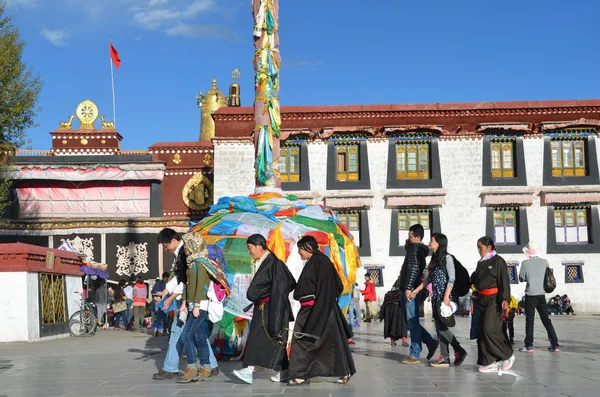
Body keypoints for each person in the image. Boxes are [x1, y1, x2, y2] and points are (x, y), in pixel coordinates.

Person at [287, 235, 356, 385]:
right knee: (301, 340)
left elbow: (331, 287)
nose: (299, 253)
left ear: (308, 248)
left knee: (332, 342)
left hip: (320, 309)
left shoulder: (322, 262)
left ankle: (344, 371)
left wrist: (319, 311)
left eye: (300, 249)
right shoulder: (311, 262)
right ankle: (301, 374)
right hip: (308, 309)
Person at [152, 228, 220, 381]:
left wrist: (178, 300)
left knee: (182, 333)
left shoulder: (189, 257)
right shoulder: (184, 256)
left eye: (165, 245)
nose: (165, 249)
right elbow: (180, 277)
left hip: (193, 303)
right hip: (188, 302)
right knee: (197, 333)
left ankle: (180, 368)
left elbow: (190, 283)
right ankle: (210, 365)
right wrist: (167, 291)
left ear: (174, 242)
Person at [232, 234, 296, 385]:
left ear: (259, 246)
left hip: (271, 308)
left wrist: (277, 312)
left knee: (259, 337)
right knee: (272, 340)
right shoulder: (263, 262)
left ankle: (249, 370)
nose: (249, 251)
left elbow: (283, 288)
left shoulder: (274, 264)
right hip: (263, 307)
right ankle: (285, 371)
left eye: (250, 248)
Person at [412, 233, 467, 367]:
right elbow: (428, 279)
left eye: (432, 241)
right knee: (438, 327)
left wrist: (447, 296)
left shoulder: (447, 258)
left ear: (439, 243)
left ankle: (458, 349)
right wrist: (416, 290)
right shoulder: (434, 260)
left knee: (441, 327)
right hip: (436, 297)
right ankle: (446, 357)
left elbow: (452, 278)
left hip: (445, 298)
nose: (430, 243)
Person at [394, 224, 438, 365]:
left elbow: (413, 269)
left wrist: (407, 287)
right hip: (412, 287)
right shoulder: (416, 249)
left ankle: (415, 354)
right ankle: (430, 342)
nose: (408, 238)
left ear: (418, 237)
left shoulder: (415, 249)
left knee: (411, 321)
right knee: (410, 321)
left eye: (410, 236)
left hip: (411, 289)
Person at [471, 237, 515, 373]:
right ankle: (489, 362)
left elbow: (504, 281)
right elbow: (476, 284)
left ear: (489, 247)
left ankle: (507, 355)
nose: (479, 250)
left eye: (481, 247)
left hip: (494, 300)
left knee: (488, 329)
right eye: (478, 247)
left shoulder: (498, 261)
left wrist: (505, 299)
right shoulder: (481, 263)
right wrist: (473, 299)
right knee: (481, 332)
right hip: (481, 300)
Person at [176, 232, 215, 383]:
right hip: (193, 304)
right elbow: (188, 284)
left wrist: (197, 305)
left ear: (194, 245)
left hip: (201, 304)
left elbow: (201, 286)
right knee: (199, 337)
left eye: (187, 244)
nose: (185, 247)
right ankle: (206, 368)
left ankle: (191, 368)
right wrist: (184, 302)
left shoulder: (200, 262)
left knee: (186, 335)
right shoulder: (191, 262)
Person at [518, 242, 560, 353]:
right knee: (546, 320)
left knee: (530, 321)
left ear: (527, 252)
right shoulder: (544, 262)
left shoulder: (525, 263)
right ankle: (555, 345)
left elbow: (521, 278)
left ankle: (529, 345)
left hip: (530, 295)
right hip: (541, 295)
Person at [151, 272, 170, 336]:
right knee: (165, 317)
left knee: (158, 316)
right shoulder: (168, 284)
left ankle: (156, 329)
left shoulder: (157, 283)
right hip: (165, 302)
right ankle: (165, 330)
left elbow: (153, 292)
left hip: (158, 301)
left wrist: (155, 298)